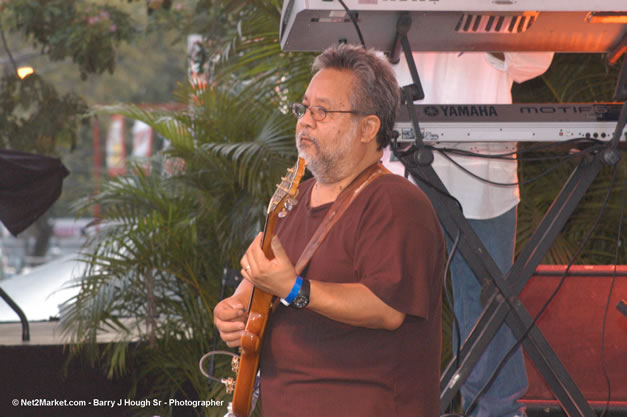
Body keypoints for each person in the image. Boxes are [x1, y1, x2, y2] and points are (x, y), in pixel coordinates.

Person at [213, 44, 445, 417]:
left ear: (368, 128)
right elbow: (262, 275)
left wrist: (294, 290)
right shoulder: (295, 196)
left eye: (322, 111)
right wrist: (236, 307)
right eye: (304, 108)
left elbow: (386, 308)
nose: (305, 121)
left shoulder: (397, 202)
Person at [383, 51, 554, 417]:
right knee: (386, 294)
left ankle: (497, 410)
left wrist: (491, 37)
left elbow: (538, 54)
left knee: (488, 298)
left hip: (484, 164)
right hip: (397, 162)